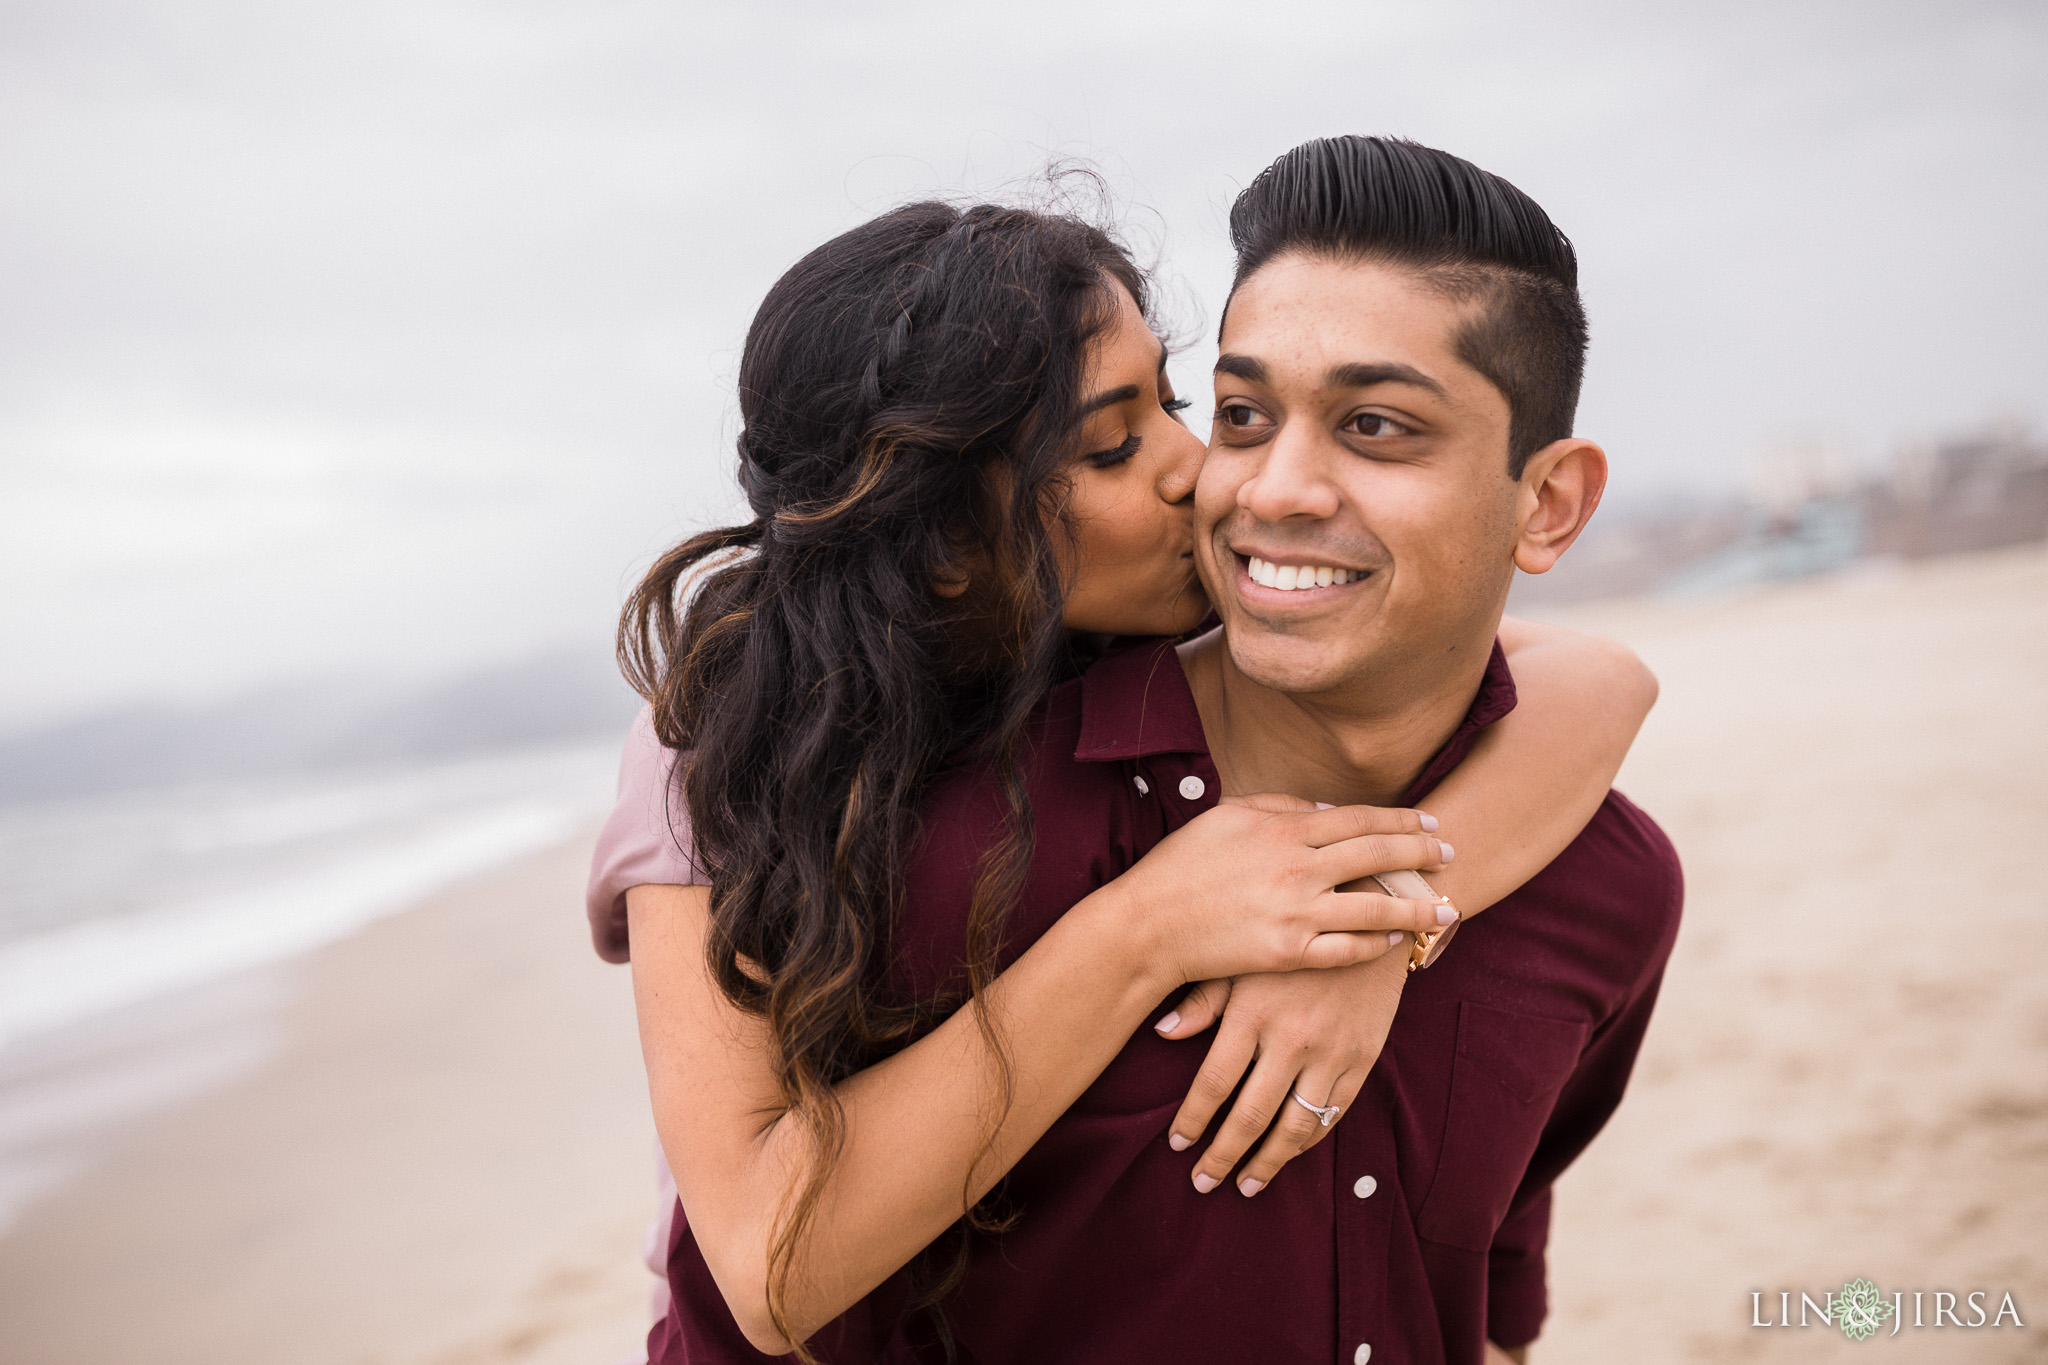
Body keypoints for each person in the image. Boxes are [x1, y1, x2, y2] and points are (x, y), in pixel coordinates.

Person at [595, 145, 1670, 1364]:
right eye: (1117, 446)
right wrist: (1148, 925)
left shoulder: (1253, 625)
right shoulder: (742, 756)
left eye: (1180, 403)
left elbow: (1591, 675)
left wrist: (1384, 914)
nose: (1211, 475)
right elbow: (762, 1265)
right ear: (948, 544)